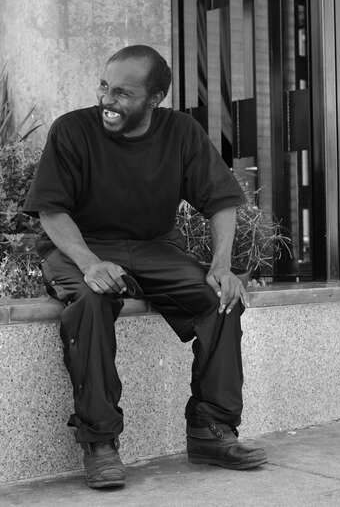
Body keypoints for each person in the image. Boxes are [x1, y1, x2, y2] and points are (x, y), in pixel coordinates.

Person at [23, 45, 267, 489]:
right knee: (90, 300)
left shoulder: (181, 132)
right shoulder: (73, 130)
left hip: (153, 247)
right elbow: (52, 211)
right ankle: (100, 442)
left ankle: (210, 430)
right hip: (82, 245)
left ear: (155, 99)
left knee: (221, 299)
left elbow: (221, 201)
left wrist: (221, 266)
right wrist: (89, 263)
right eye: (104, 87)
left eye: (122, 93)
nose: (107, 100)